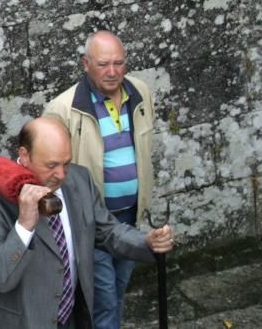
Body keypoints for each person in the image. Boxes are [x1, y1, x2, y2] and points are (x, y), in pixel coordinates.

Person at [0, 117, 174, 328]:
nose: (60, 174)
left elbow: (107, 230)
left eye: (66, 163)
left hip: (71, 319)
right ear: (24, 155)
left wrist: (146, 242)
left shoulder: (80, 178)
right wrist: (24, 226)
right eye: (51, 165)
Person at [43, 31, 156, 329]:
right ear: (85, 63)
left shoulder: (141, 93)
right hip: (91, 223)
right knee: (102, 299)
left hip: (130, 216)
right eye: (103, 64)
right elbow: (49, 169)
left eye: (119, 63)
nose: (112, 71)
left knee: (118, 290)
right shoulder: (62, 109)